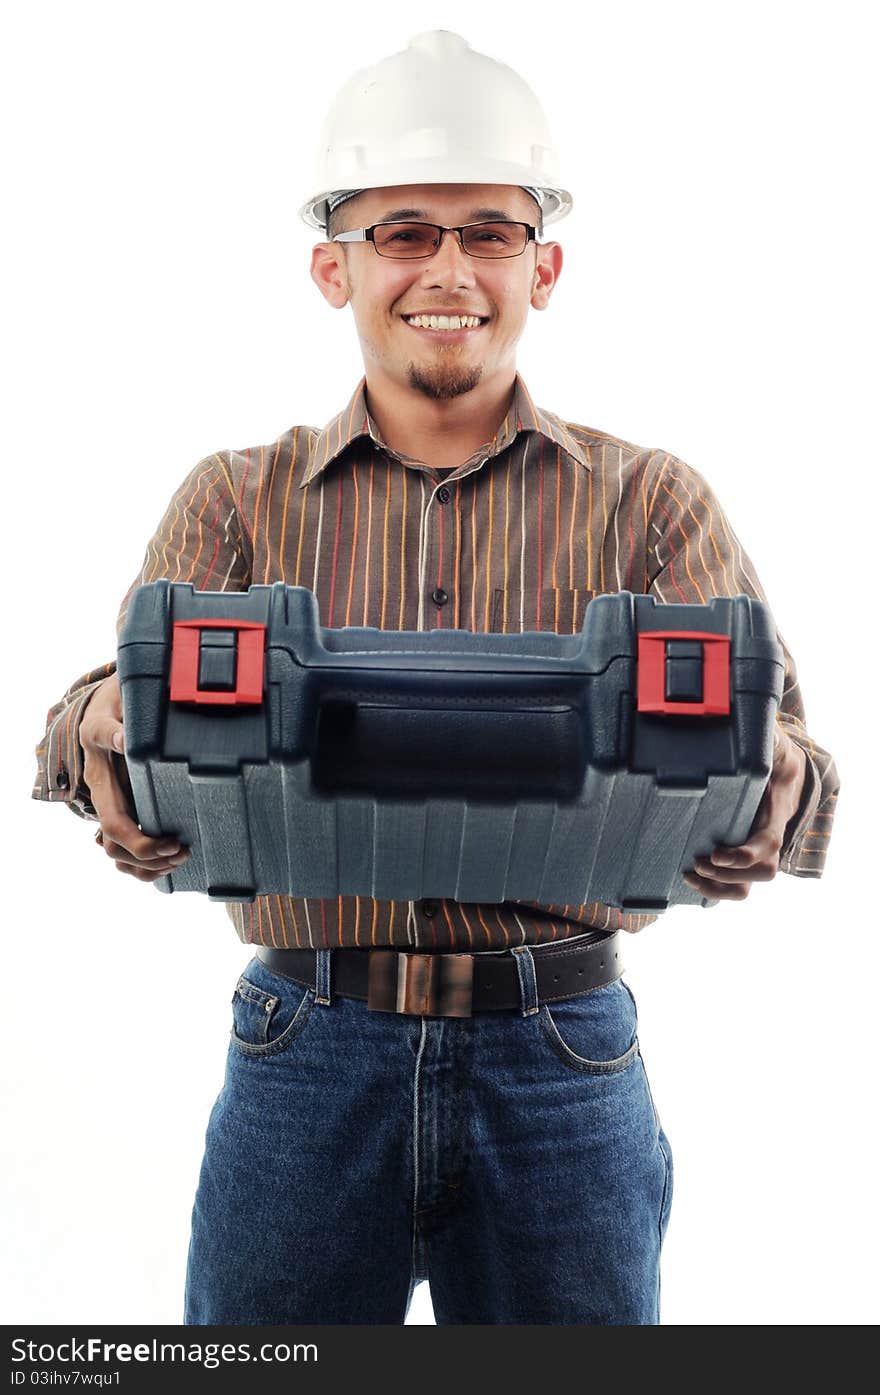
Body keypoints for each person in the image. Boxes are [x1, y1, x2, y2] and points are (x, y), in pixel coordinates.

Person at [32, 31, 838, 1325]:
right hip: (307, 1049)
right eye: (404, 231)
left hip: (562, 1060)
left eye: (490, 232)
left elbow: (795, 762)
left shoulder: (651, 504)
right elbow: (94, 723)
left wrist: (773, 780)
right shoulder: (234, 504)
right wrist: (102, 735)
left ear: (546, 265)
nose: (449, 270)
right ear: (331, 264)